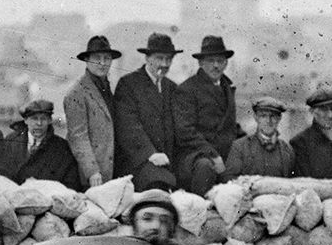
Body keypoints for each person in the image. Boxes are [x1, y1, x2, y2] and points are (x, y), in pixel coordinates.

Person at [174, 35, 245, 194]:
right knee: (206, 167)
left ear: (226, 63)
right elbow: (185, 132)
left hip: (223, 154)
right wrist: (213, 155)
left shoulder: (227, 87)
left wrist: (251, 142)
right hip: (196, 156)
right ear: (200, 63)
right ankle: (199, 210)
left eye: (220, 61)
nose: (216, 66)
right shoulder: (187, 90)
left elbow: (231, 126)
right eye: (211, 61)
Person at [115, 32, 183, 190]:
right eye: (160, 58)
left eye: (169, 59)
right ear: (147, 58)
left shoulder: (172, 88)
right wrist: (150, 153)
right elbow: (128, 126)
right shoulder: (128, 84)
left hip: (166, 162)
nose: (165, 64)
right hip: (137, 163)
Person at [63, 35, 119, 188]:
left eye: (107, 58)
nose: (102, 63)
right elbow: (77, 136)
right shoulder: (76, 93)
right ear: (87, 60)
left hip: (112, 168)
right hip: (92, 175)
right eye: (97, 58)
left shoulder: (106, 88)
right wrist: (92, 170)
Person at [0, 99, 80, 189]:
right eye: (34, 119)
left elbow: (71, 183)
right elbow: (1, 175)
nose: (39, 123)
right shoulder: (11, 142)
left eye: (43, 119)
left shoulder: (62, 148)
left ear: (50, 121)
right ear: (26, 120)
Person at [290, 88, 332, 179]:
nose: (330, 115)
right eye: (324, 110)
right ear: (312, 112)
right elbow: (303, 182)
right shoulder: (300, 143)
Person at [222, 96, 294, 179]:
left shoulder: (287, 150)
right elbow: (228, 178)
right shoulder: (240, 147)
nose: (268, 121)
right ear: (256, 118)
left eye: (273, 116)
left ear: (279, 118)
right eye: (263, 116)